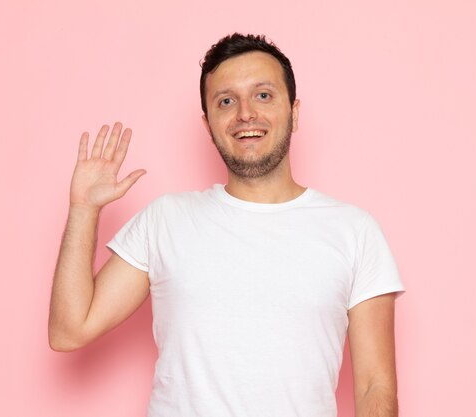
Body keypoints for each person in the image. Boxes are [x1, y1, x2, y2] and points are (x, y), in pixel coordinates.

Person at [49, 33, 405, 417]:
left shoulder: (354, 231)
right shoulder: (166, 220)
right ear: (208, 125)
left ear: (295, 112)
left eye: (263, 95)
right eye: (226, 101)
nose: (245, 113)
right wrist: (83, 209)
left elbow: (374, 387)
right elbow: (70, 330)